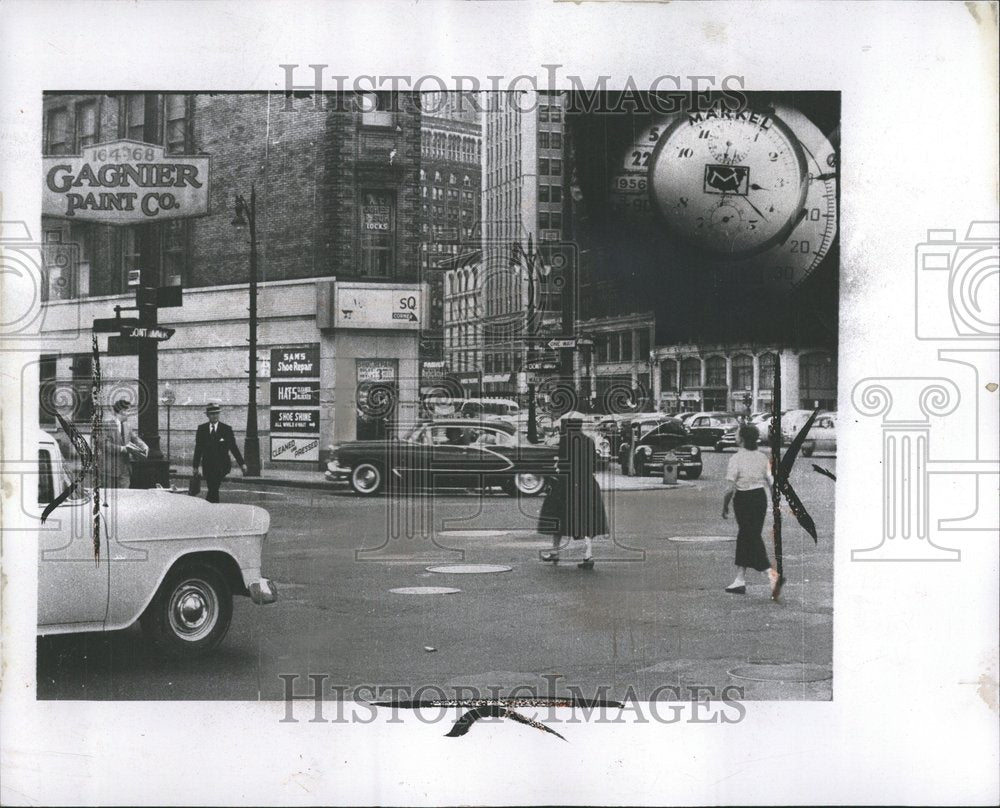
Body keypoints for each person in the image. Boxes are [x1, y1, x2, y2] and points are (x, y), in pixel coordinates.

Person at [721, 424, 784, 600]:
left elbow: (729, 488)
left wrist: (724, 506)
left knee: (750, 536)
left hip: (743, 499)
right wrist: (775, 502)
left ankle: (771, 574)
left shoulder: (736, 458)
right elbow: (771, 482)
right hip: (760, 498)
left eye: (737, 433)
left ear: (741, 438)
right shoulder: (762, 457)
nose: (735, 435)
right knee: (747, 535)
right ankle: (739, 579)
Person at [538, 414, 609, 569]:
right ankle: (588, 555)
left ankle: (555, 551)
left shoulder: (565, 441)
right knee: (588, 521)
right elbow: (593, 464)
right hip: (587, 483)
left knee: (557, 518)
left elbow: (562, 464)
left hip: (566, 484)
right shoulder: (589, 441)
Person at [192, 402, 247, 503]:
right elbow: (198, 449)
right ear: (208, 415)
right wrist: (195, 466)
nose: (215, 416)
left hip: (222, 465)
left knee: (214, 487)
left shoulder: (226, 429)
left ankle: (210, 508)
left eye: (217, 413)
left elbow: (233, 447)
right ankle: (211, 507)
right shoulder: (202, 429)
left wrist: (242, 464)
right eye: (212, 414)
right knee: (212, 488)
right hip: (207, 465)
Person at [112, 399, 148, 488]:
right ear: (121, 411)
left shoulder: (127, 426)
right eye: (128, 411)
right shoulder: (107, 425)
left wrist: (144, 446)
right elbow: (104, 445)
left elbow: (135, 438)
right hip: (110, 471)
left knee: (125, 496)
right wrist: (122, 449)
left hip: (125, 470)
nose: (129, 414)